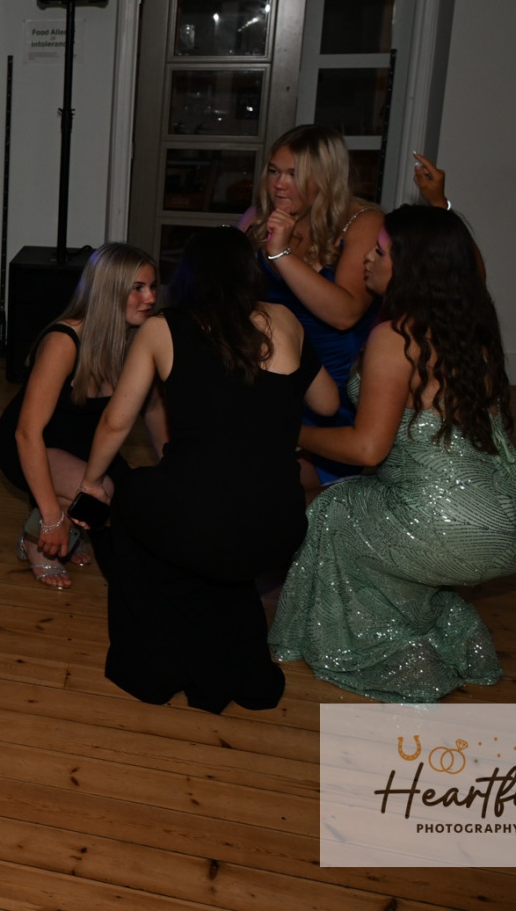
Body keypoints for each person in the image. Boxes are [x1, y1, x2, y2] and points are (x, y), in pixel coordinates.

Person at [270, 205, 516, 702]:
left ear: (413, 266)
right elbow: (467, 262)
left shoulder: (397, 336)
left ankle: (393, 653)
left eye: (380, 252)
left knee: (335, 511)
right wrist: (438, 201)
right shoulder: (470, 321)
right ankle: (454, 638)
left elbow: (366, 448)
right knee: (383, 519)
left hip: (454, 522)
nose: (366, 259)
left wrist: (292, 433)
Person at [77, 228, 339, 714]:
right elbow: (327, 402)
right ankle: (220, 643)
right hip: (277, 523)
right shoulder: (284, 320)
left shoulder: (163, 329)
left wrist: (92, 483)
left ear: (188, 277)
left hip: (203, 520)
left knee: (131, 499)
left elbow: (116, 421)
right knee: (206, 528)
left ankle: (154, 667)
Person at [0, 243, 163, 589]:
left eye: (153, 287)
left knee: (131, 501)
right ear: (109, 291)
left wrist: (174, 465)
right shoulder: (65, 340)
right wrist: (52, 518)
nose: (150, 298)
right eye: (138, 288)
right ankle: (39, 535)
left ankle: (71, 520)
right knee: (102, 495)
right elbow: (27, 433)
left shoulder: (140, 339)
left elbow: (154, 409)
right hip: (32, 446)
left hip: (86, 446)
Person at [238, 124, 382, 486]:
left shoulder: (362, 222)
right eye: (274, 171)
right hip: (271, 377)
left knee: (317, 497)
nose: (279, 184)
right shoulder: (257, 218)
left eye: (294, 174)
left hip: (336, 388)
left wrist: (281, 255)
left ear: (326, 177)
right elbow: (226, 295)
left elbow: (345, 314)